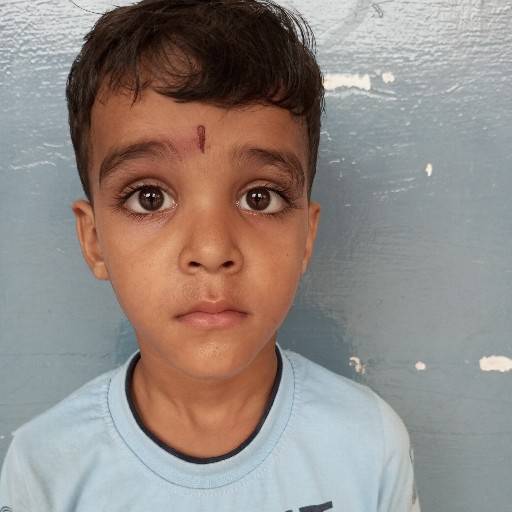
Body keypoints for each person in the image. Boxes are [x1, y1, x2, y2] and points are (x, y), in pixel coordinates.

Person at [0, 0, 420, 510]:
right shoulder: (45, 469)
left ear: (306, 237)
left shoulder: (369, 444)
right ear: (93, 240)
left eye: (259, 198)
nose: (212, 250)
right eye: (149, 198)